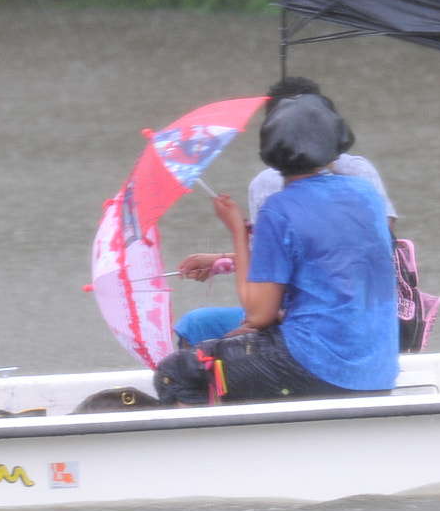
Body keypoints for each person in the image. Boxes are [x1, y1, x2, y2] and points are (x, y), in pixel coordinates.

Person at [153, 94, 399, 405]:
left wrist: (237, 234)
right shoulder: (365, 193)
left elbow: (259, 314)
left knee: (175, 372)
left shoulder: (278, 210)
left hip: (320, 365)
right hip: (378, 366)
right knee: (227, 347)